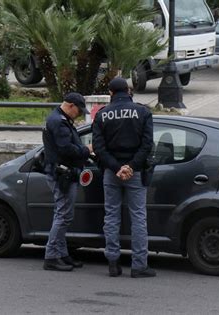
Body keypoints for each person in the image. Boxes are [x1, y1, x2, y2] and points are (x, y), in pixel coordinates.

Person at [92, 77, 155, 278]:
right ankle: (139, 266)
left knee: (111, 216)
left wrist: (117, 168)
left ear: (110, 93)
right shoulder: (143, 112)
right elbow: (147, 145)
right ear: (128, 91)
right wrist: (130, 167)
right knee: (138, 217)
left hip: (111, 173)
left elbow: (99, 148)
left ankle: (113, 263)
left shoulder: (101, 115)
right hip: (135, 172)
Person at [42, 92, 93, 272]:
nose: (79, 115)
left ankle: (62, 254)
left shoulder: (60, 119)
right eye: (79, 111)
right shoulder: (59, 122)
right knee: (63, 215)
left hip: (64, 173)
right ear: (71, 106)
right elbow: (66, 149)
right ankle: (51, 256)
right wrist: (86, 150)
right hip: (61, 174)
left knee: (64, 214)